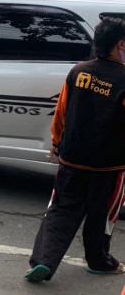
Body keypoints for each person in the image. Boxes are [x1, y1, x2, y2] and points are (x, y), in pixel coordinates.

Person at [25, 17, 125, 282]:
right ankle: (99, 261)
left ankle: (43, 261)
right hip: (110, 166)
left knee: (60, 209)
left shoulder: (78, 72)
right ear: (120, 44)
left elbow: (62, 113)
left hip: (72, 159)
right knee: (101, 215)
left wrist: (56, 143)